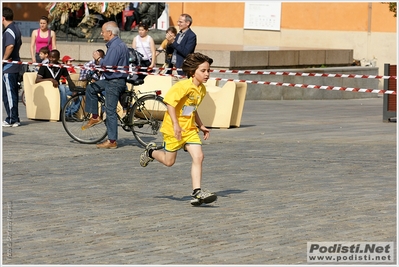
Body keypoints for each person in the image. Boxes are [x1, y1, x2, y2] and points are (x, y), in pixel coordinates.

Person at [139, 52, 217, 206]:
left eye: (208, 70)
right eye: (203, 71)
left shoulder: (201, 90)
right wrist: (175, 124)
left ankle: (197, 192)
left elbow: (192, 109)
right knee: (169, 162)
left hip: (189, 130)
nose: (207, 74)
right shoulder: (182, 86)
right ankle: (151, 152)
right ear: (192, 71)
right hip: (173, 129)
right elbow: (170, 104)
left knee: (199, 156)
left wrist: (201, 126)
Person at [81, 21, 130, 149]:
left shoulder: (115, 46)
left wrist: (98, 58)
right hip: (113, 79)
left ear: (110, 32)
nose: (102, 34)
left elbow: (107, 65)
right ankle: (95, 116)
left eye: (103, 31)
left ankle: (112, 141)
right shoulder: (119, 44)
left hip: (114, 82)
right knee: (91, 87)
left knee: (110, 110)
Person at [2, 7, 22, 127]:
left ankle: (12, 119)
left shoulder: (9, 30)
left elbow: (10, 46)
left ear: (3, 18)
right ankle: (14, 118)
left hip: (8, 67)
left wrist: (3, 60)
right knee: (12, 93)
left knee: (9, 93)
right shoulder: (15, 28)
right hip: (13, 66)